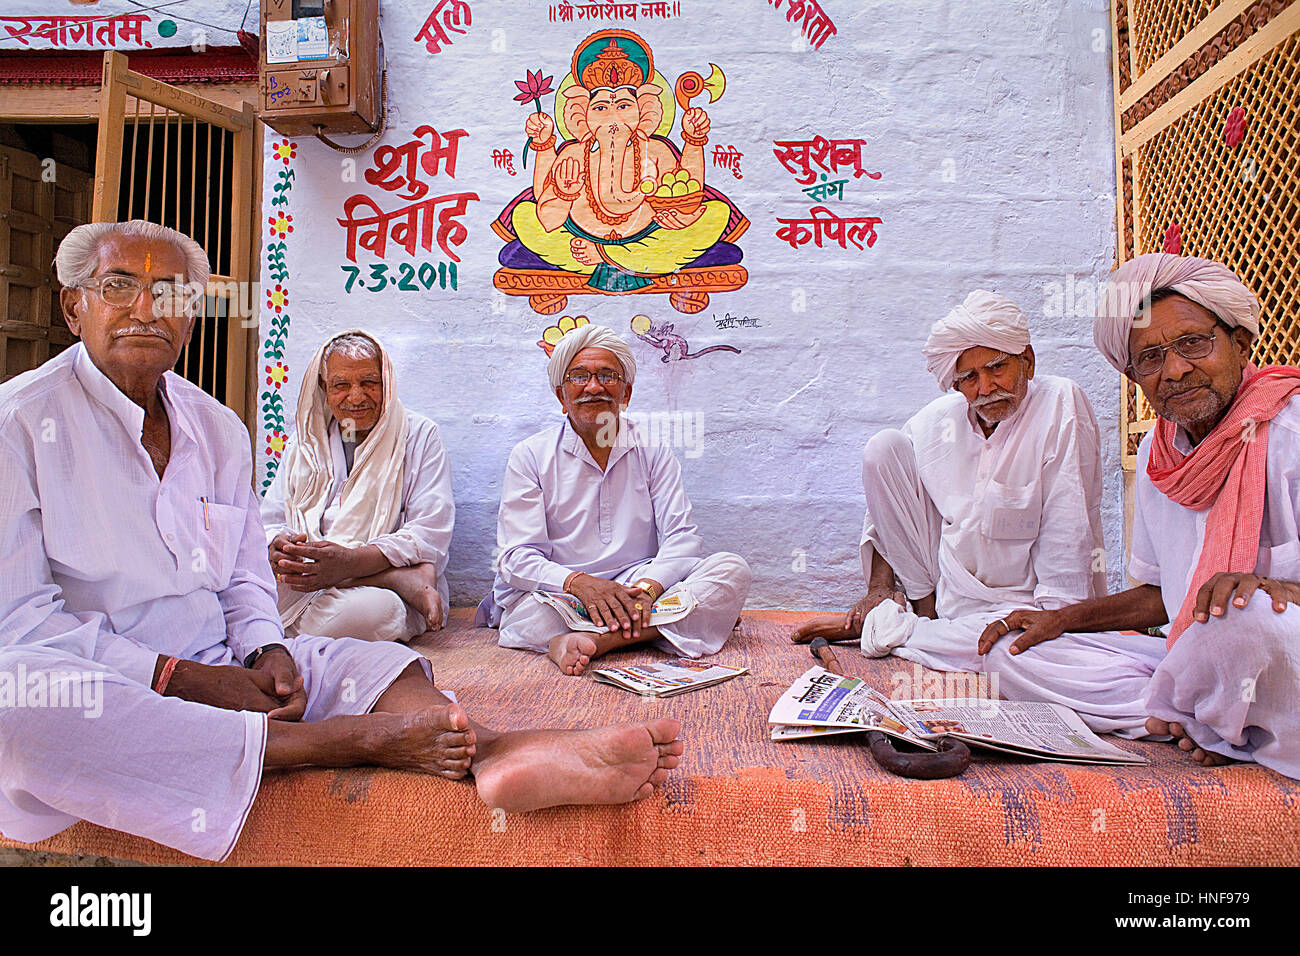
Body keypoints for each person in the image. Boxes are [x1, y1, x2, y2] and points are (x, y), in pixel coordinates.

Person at [0, 221, 684, 862]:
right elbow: (22, 624)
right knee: (18, 700)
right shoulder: (19, 423)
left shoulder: (216, 428)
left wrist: (266, 652)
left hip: (230, 645)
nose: (146, 307)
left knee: (378, 660)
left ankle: (494, 747)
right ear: (73, 308)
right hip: (108, 676)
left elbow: (242, 579)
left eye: (172, 292)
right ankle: (344, 741)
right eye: (119, 285)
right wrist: (187, 676)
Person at [981, 252, 1300, 778]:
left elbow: (1243, 618)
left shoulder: (1289, 433)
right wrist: (1063, 620)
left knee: (1241, 617)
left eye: (1193, 343)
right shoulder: (1161, 451)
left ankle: (1201, 717)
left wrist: (1273, 590)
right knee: (1013, 655)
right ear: (1134, 376)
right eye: (1150, 358)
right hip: (1195, 655)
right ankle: (1200, 718)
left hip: (1275, 653)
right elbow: (1160, 597)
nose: (1175, 370)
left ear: (1240, 344)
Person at [792, 290, 1167, 736]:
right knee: (883, 450)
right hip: (946, 605)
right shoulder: (937, 423)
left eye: (996, 367)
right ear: (954, 382)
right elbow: (889, 500)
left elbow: (1069, 538)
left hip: (1025, 612)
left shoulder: (1060, 403)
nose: (985, 388)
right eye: (968, 376)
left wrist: (1055, 620)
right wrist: (879, 586)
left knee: (1015, 655)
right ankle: (910, 622)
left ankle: (897, 632)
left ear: (1027, 359)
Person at [476, 323, 751, 675]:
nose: (594, 387)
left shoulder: (652, 449)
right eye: (579, 377)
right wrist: (581, 584)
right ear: (562, 397)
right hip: (563, 595)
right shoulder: (530, 455)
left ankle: (601, 641)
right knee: (530, 618)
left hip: (638, 586)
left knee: (731, 569)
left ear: (626, 393)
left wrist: (647, 591)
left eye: (607, 375)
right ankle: (663, 627)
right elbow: (516, 559)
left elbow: (682, 537)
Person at [261, 330, 452, 642]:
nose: (356, 397)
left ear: (386, 383)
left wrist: (350, 563)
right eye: (341, 385)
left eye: (369, 383)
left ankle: (376, 580)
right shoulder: (305, 444)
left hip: (366, 595)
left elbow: (430, 533)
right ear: (324, 388)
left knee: (373, 613)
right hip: (308, 577)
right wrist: (280, 547)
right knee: (236, 593)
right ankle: (393, 579)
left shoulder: (419, 436)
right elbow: (268, 521)